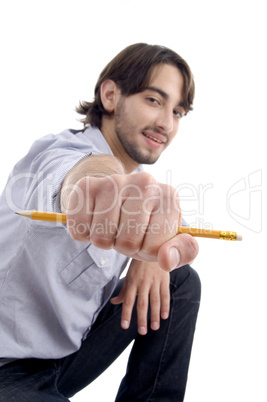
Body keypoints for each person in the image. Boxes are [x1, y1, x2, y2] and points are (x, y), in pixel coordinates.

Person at [0, 43, 201, 401]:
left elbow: (144, 199)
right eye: (154, 101)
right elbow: (81, 175)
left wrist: (150, 254)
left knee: (180, 280)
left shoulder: (137, 178)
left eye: (178, 111)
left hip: (67, 361)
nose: (166, 124)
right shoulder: (52, 153)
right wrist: (102, 185)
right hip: (5, 368)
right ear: (110, 95)